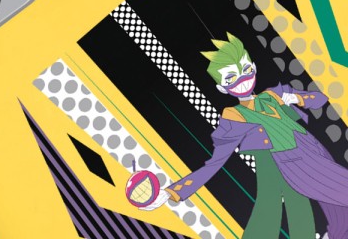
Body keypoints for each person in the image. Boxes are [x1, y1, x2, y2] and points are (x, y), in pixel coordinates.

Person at [142, 33, 348, 239]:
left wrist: (294, 98)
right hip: (296, 164)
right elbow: (214, 164)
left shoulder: (274, 94)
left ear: (254, 68)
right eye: (231, 78)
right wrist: (173, 192)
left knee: (339, 215)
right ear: (222, 88)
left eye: (246, 70)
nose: (243, 80)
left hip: (316, 149)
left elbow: (320, 99)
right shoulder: (234, 118)